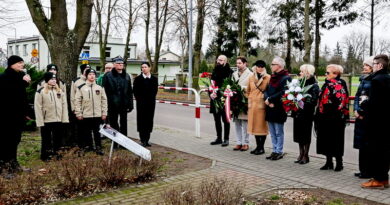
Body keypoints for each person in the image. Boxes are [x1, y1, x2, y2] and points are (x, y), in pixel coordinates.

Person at [361, 54, 390, 189]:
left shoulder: (377, 80)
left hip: (376, 122)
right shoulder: (387, 78)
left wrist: (365, 102)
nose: (372, 66)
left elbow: (376, 104)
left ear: (379, 65)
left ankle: (378, 179)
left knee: (376, 151)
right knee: (384, 151)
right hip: (385, 122)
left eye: (373, 64)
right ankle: (383, 178)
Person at [315, 64, 349, 172]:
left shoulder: (339, 84)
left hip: (335, 118)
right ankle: (328, 162)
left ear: (335, 74)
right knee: (326, 139)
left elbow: (341, 102)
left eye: (327, 72)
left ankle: (339, 163)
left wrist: (332, 113)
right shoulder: (327, 83)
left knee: (336, 140)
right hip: (324, 116)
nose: (325, 74)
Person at [0, 55, 31, 174]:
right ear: (11, 64)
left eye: (22, 62)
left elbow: (22, 97)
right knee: (5, 142)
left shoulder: (20, 76)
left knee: (15, 140)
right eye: (19, 63)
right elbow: (8, 95)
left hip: (18, 115)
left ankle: (13, 164)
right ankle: (3, 167)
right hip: (6, 116)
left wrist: (27, 112)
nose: (22, 65)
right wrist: (22, 83)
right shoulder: (4, 77)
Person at [34, 72, 69, 161]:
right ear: (47, 80)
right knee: (46, 139)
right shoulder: (40, 92)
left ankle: (57, 154)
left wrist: (64, 118)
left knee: (57, 138)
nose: (54, 81)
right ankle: (46, 155)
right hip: (47, 119)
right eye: (51, 79)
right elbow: (38, 107)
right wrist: (40, 121)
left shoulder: (60, 91)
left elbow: (64, 105)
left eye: (55, 79)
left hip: (58, 119)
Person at [75, 69, 108, 155]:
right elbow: (77, 101)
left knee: (97, 132)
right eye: (90, 74)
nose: (92, 76)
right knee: (86, 132)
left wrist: (104, 112)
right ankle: (87, 147)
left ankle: (98, 147)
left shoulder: (99, 88)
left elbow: (104, 101)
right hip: (86, 114)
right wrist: (79, 113)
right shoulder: (81, 88)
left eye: (93, 74)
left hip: (97, 114)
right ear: (86, 76)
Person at [291, 64, 319, 164]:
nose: (300, 73)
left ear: (307, 72)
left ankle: (306, 155)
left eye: (302, 71)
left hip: (307, 113)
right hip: (297, 112)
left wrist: (302, 102)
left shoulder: (314, 85)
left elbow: (314, 100)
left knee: (305, 134)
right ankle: (301, 153)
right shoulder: (298, 83)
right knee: (298, 134)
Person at [264, 57, 291, 160]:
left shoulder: (286, 78)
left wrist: (271, 99)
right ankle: (274, 150)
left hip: (278, 107)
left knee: (278, 131)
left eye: (273, 64)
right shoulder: (272, 76)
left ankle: (279, 151)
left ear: (279, 66)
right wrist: (267, 98)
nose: (271, 66)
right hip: (270, 106)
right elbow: (266, 89)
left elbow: (283, 92)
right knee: (272, 131)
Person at [102, 56, 133, 142]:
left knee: (124, 123)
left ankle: (124, 141)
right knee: (113, 122)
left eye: (122, 63)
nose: (120, 65)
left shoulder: (127, 76)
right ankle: (115, 141)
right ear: (114, 65)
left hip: (124, 104)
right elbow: (104, 91)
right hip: (112, 104)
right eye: (118, 63)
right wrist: (106, 103)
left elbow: (130, 91)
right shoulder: (108, 76)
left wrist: (130, 104)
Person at [353, 56, 374, 179]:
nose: (364, 67)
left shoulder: (373, 81)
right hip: (359, 115)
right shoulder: (363, 80)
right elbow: (357, 96)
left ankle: (367, 171)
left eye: (366, 65)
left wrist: (362, 112)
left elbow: (370, 99)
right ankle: (362, 169)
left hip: (366, 117)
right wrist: (355, 109)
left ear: (372, 67)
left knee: (367, 145)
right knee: (361, 145)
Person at [246, 60, 270, 155]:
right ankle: (257, 147)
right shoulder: (251, 77)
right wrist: (250, 98)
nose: (260, 68)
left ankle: (261, 148)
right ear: (255, 67)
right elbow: (248, 90)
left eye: (262, 66)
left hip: (261, 105)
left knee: (262, 127)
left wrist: (263, 99)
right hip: (252, 105)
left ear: (264, 67)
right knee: (254, 127)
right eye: (258, 66)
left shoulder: (268, 77)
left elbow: (269, 90)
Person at [209, 55, 233, 147]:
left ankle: (226, 139)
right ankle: (219, 138)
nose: (219, 61)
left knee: (225, 119)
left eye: (221, 60)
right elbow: (211, 84)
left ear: (225, 62)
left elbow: (230, 86)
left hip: (225, 99)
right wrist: (211, 93)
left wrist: (223, 92)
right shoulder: (214, 71)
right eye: (218, 60)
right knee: (216, 119)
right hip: (215, 98)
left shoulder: (229, 72)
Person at [133, 62, 158, 147]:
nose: (143, 68)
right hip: (141, 104)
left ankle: (147, 140)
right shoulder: (138, 79)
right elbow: (135, 91)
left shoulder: (154, 79)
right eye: (142, 67)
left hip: (151, 104)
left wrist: (150, 99)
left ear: (149, 68)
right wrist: (140, 99)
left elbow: (155, 91)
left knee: (149, 121)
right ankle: (142, 140)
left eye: (145, 67)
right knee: (141, 121)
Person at [232, 56, 252, 151]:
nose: (238, 65)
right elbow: (231, 85)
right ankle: (238, 142)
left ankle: (246, 143)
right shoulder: (234, 74)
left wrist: (242, 90)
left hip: (245, 101)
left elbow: (252, 88)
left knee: (245, 123)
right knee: (237, 122)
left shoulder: (250, 74)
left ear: (245, 63)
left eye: (240, 63)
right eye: (237, 63)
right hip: (235, 101)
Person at [70, 64, 89, 147]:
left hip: (89, 109)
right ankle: (80, 144)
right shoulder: (76, 81)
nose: (87, 71)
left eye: (89, 69)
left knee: (88, 128)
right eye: (86, 69)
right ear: (82, 71)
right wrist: (74, 109)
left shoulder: (91, 80)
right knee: (79, 128)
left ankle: (88, 143)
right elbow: (72, 96)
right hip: (79, 109)